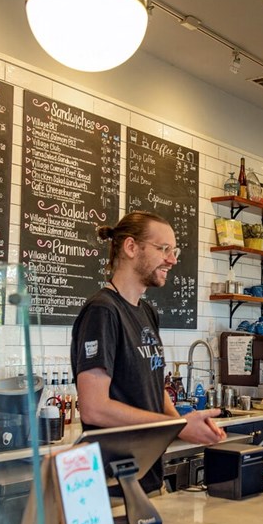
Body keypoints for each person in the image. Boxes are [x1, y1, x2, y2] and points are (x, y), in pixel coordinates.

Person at [71, 211, 225, 494]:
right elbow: (94, 407)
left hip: (148, 474)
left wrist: (181, 420)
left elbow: (154, 386)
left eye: (173, 250)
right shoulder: (103, 311)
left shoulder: (146, 312)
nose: (173, 260)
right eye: (163, 249)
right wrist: (176, 426)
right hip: (112, 485)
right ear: (131, 247)